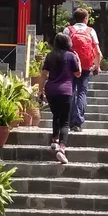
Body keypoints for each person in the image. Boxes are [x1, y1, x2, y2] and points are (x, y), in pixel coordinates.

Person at [41, 33, 81, 164]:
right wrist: (78, 60)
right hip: (65, 91)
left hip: (51, 90)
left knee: (56, 115)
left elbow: (44, 74)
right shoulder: (71, 56)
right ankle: (62, 149)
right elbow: (78, 73)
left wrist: (40, 90)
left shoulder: (49, 56)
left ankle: (54, 140)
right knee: (64, 121)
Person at [63, 8, 102, 132]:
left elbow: (62, 49)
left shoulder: (68, 30)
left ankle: (71, 120)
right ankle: (78, 122)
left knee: (71, 91)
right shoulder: (91, 31)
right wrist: (97, 66)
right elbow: (98, 53)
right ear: (86, 19)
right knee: (82, 92)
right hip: (85, 66)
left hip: (70, 66)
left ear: (75, 18)